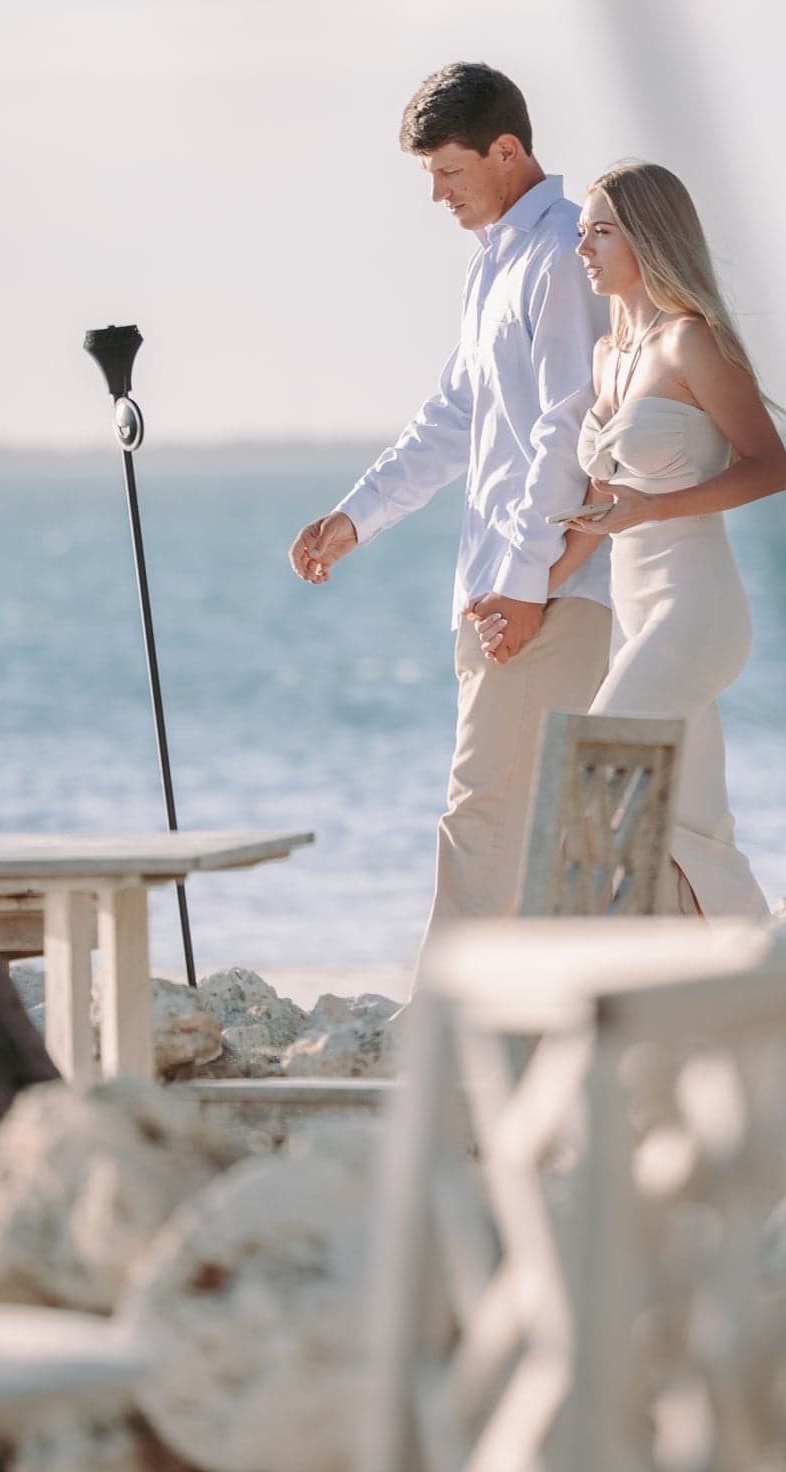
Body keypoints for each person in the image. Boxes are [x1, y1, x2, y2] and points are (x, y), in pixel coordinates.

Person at [288, 62, 610, 949]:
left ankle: (444, 1028)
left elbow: (567, 428)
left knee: (486, 816)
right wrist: (355, 517)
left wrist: (522, 582)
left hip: (546, 588)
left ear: (507, 151)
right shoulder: (495, 266)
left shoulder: (564, 253)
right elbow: (454, 417)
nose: (435, 194)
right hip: (502, 584)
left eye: (448, 170)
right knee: (523, 823)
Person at [488, 160, 786, 916]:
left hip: (696, 611)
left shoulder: (693, 343)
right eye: (581, 232)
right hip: (636, 610)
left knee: (596, 761)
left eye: (601, 232)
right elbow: (600, 503)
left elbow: (769, 468)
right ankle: (738, 967)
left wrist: (651, 511)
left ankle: (594, 958)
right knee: (694, 824)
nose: (582, 248)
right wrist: (530, 594)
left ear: (648, 238)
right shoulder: (607, 354)